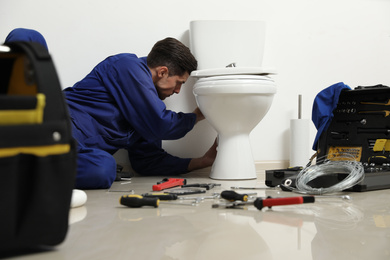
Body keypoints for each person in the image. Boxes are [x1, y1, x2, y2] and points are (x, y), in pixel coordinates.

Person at [63, 37, 217, 189]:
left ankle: (43, 172)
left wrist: (202, 161)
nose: (177, 91)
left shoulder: (146, 108)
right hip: (59, 126)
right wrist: (196, 116)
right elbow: (161, 124)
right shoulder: (128, 67)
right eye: (179, 83)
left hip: (78, 152)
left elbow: (148, 161)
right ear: (163, 72)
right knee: (104, 167)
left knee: (102, 168)